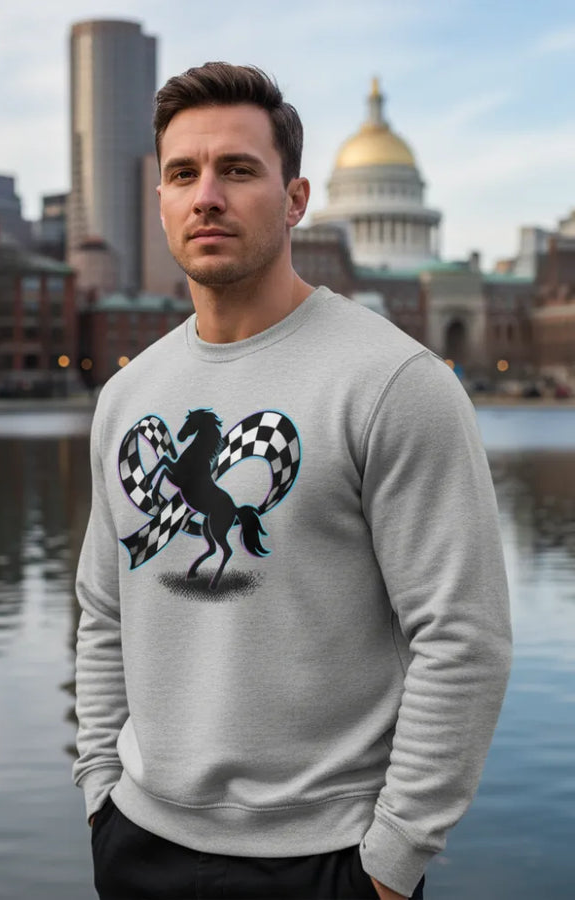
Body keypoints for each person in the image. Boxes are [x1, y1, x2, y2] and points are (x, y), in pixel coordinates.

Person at [73, 62, 512, 900]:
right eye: (182, 173)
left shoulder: (394, 380)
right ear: (162, 200)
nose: (207, 195)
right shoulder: (127, 394)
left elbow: (463, 636)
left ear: (297, 199)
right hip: (139, 847)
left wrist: (389, 863)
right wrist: (101, 793)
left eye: (238, 170)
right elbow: (102, 609)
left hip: (327, 864)